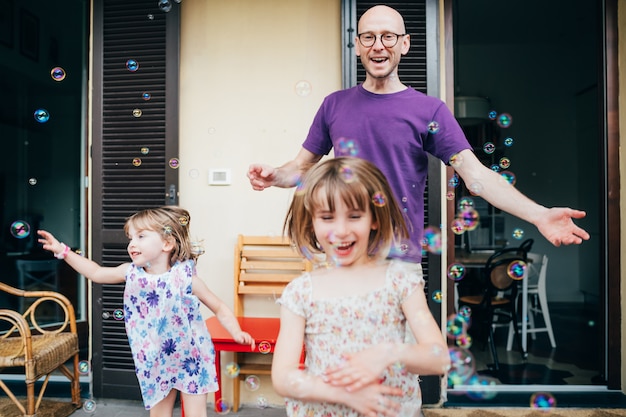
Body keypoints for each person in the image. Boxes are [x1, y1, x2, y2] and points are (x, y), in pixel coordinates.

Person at [248, 4, 590, 263]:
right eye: (368, 37)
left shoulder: (430, 111)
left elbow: (477, 177)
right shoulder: (333, 105)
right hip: (345, 255)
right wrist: (276, 175)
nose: (378, 46)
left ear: (405, 44)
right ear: (357, 45)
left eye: (388, 36)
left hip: (400, 261)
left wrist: (539, 214)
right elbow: (303, 167)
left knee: (401, 356)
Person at [271, 157, 451, 417]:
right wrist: (342, 394)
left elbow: (439, 358)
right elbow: (283, 377)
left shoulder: (400, 282)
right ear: (312, 222)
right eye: (327, 217)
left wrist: (389, 353)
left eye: (355, 216)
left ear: (374, 219)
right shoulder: (300, 292)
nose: (341, 230)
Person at [37, 206, 255, 417]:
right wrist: (63, 252)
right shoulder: (131, 273)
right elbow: (96, 272)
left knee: (196, 413)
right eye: (130, 237)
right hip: (155, 358)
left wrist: (236, 332)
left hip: (192, 356)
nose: (132, 243)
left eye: (141, 236)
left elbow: (219, 307)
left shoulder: (186, 277)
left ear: (167, 243)